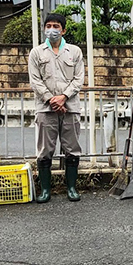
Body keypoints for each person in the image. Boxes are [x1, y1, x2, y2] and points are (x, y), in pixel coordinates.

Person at [28, 12, 85, 203]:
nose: (52, 30)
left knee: (72, 148)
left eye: (56, 26)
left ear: (64, 30)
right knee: (45, 150)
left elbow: (79, 79)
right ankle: (46, 190)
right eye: (49, 26)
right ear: (44, 29)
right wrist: (51, 100)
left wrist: (63, 97)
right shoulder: (36, 53)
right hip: (45, 109)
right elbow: (35, 81)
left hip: (70, 107)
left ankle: (71, 188)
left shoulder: (74, 52)